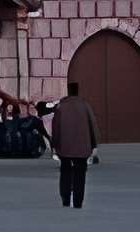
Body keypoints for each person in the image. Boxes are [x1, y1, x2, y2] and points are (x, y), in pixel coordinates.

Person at [48, 80, 101, 209]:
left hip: (64, 147)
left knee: (65, 172)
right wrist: (94, 144)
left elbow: (55, 127)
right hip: (82, 147)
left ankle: (65, 199)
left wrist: (54, 145)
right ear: (77, 91)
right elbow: (92, 125)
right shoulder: (85, 105)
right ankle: (78, 201)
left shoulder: (61, 106)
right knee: (80, 174)